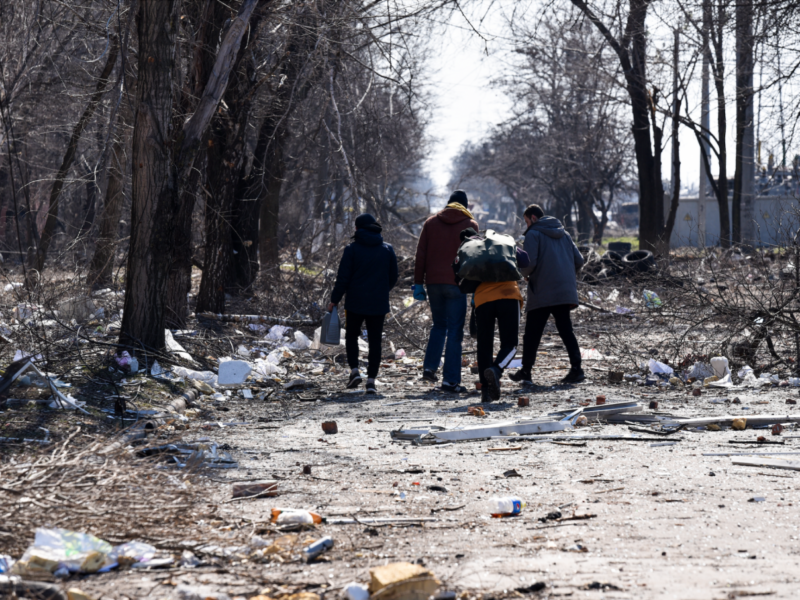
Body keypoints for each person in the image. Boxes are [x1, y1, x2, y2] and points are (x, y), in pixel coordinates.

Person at [509, 204, 585, 386]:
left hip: (542, 290)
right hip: (564, 291)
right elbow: (579, 260)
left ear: (533, 219)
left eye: (527, 222)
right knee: (566, 330)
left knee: (532, 333)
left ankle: (526, 371)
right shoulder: (565, 234)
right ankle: (577, 369)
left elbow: (530, 263)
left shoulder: (533, 234)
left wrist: (522, 275)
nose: (526, 226)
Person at [414, 190, 479, 393]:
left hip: (433, 283)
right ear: (465, 206)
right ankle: (450, 381)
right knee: (455, 332)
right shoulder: (471, 225)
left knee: (439, 325)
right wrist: (476, 288)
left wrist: (418, 283)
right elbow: (475, 258)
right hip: (457, 284)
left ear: (448, 204)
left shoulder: (431, 223)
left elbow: (421, 254)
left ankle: (429, 368)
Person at [455, 228, 529, 402]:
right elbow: (525, 259)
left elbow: (457, 273)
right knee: (510, 344)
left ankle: (486, 392)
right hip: (508, 296)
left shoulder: (470, 249)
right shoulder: (502, 244)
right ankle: (496, 370)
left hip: (483, 300)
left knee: (484, 345)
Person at [329, 213, 398, 393]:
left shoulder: (351, 249)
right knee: (375, 341)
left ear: (357, 229)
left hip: (355, 302)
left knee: (352, 336)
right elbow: (393, 277)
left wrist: (334, 300)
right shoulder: (387, 249)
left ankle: (355, 371)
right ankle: (371, 382)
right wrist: (382, 290)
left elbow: (342, 278)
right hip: (378, 303)